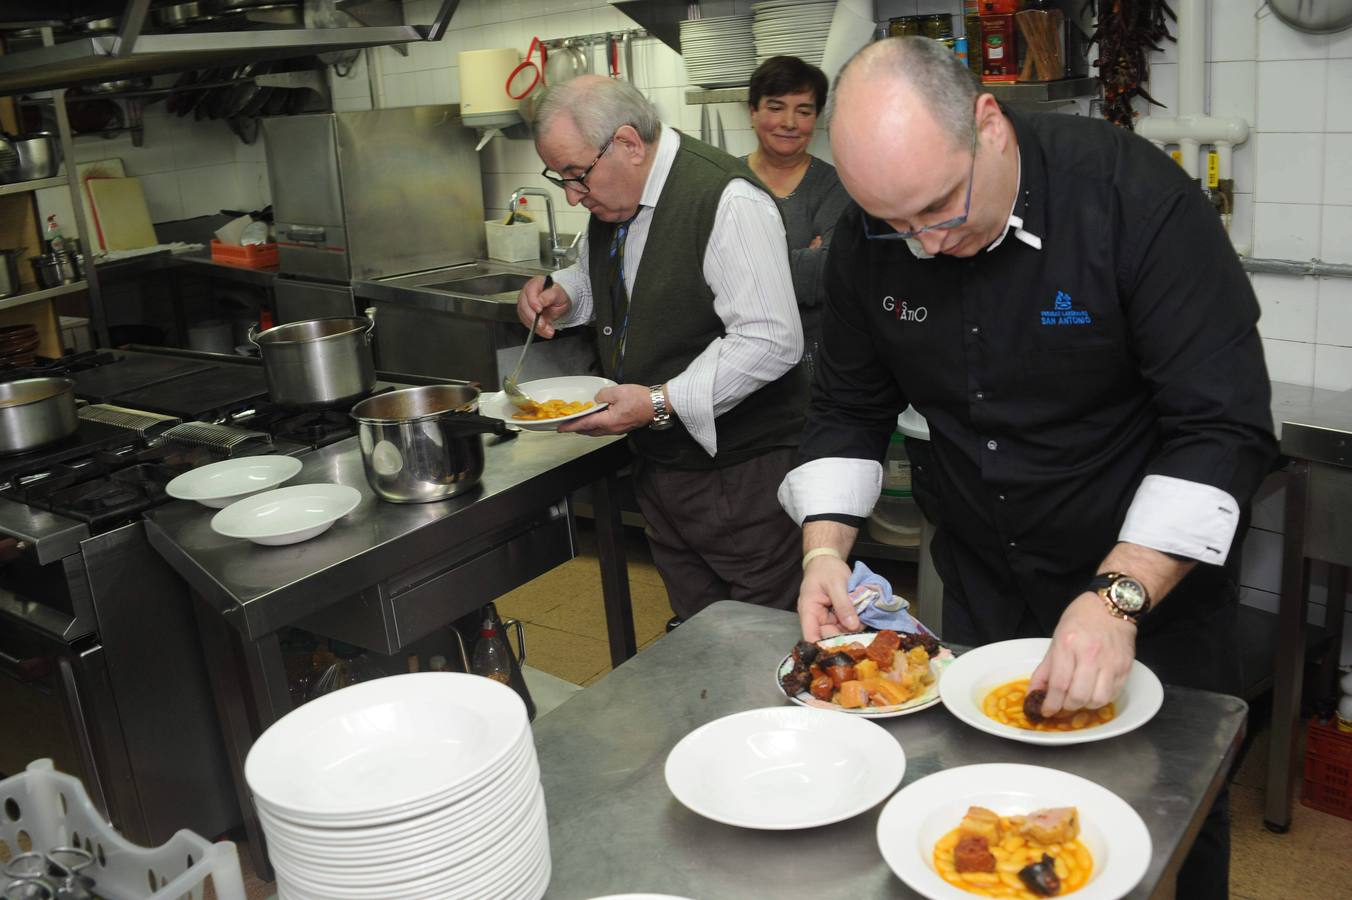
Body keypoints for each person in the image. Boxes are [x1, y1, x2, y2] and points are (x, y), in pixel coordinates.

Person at [778, 37, 1277, 899]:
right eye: (894, 225)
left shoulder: (1135, 202)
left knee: (1165, 824)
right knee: (991, 809)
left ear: (988, 123)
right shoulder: (879, 233)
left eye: (938, 209)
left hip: (1151, 598)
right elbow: (848, 407)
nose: (923, 248)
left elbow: (1220, 427)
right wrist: (824, 551)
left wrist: (1120, 595)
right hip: (985, 586)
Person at [516, 75, 809, 623]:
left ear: (628, 143)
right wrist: (565, 295)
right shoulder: (615, 199)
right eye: (562, 180)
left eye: (577, 176)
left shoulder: (726, 199)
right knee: (698, 634)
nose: (573, 194)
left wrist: (658, 402)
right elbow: (605, 276)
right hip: (662, 467)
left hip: (741, 477)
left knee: (767, 636)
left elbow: (772, 339)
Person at [744, 56, 852, 378]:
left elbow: (826, 276)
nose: (789, 122)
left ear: (815, 118)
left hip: (814, 365)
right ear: (753, 111)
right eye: (776, 107)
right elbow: (701, 274)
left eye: (803, 111)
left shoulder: (835, 187)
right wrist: (804, 256)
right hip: (736, 360)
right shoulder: (724, 182)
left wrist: (742, 265)